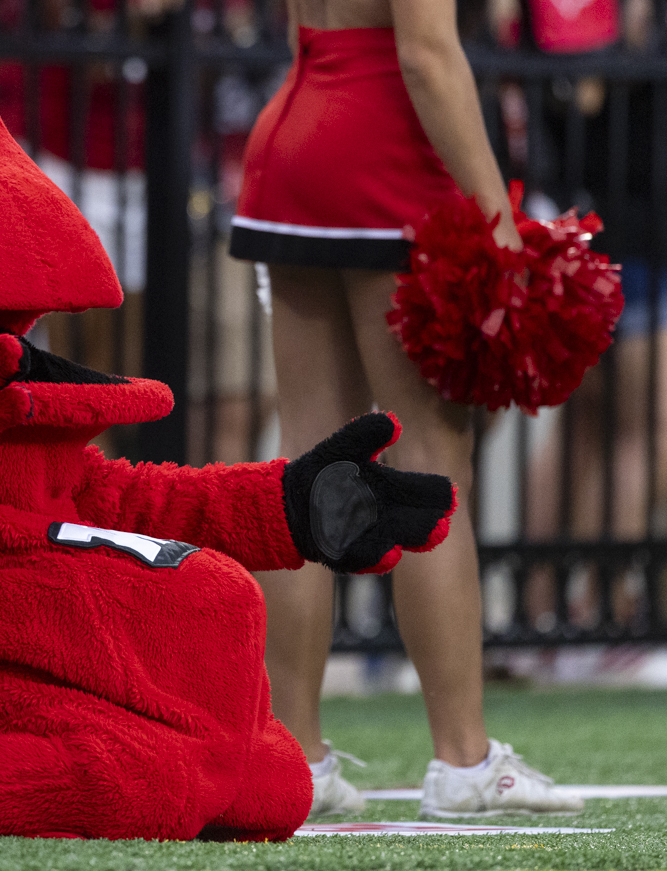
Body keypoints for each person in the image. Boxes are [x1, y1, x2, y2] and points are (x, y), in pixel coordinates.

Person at [230, 0, 585, 817]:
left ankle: (296, 759)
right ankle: (463, 761)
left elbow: (303, 35)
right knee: (433, 463)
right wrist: (502, 223)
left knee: (308, 461)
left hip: (291, 146)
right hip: (383, 160)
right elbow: (426, 56)